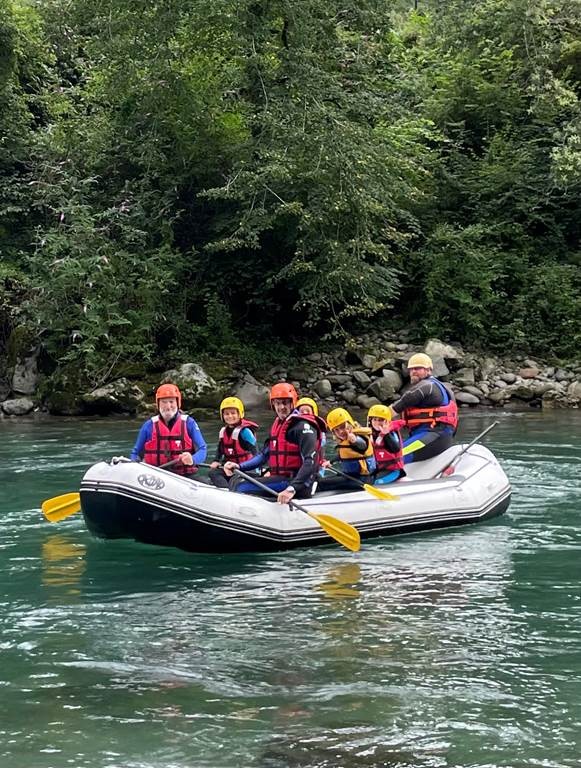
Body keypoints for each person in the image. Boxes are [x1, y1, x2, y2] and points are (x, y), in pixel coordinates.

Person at [223, 383, 325, 504]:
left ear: (293, 403)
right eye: (278, 403)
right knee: (236, 479)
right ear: (273, 405)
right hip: (281, 479)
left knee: (241, 487)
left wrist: (291, 489)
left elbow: (310, 461)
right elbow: (263, 455)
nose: (281, 407)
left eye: (285, 402)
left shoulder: (302, 427)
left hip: (296, 483)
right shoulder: (279, 424)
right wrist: (240, 466)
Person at [389, 353, 458, 463]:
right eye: (411, 369)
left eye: (417, 368)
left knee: (392, 458)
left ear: (429, 370)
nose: (413, 372)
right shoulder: (445, 388)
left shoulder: (426, 386)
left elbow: (397, 408)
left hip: (432, 437)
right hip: (440, 438)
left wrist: (375, 420)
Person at [130, 383, 207, 475]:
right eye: (164, 402)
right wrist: (135, 465)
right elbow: (135, 453)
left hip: (184, 477)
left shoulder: (189, 423)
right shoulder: (148, 426)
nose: (168, 406)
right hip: (156, 476)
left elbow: (203, 449)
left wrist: (193, 459)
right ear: (158, 404)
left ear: (177, 403)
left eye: (171, 401)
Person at [318, 407, 376, 492]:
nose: (340, 432)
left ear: (350, 424)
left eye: (342, 427)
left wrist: (354, 441)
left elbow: (362, 446)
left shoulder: (358, 437)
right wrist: (330, 462)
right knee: (327, 480)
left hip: (362, 480)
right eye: (336, 430)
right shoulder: (344, 441)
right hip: (351, 476)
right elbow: (343, 455)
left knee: (321, 483)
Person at [208, 397, 259, 489]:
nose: (230, 416)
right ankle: (225, 490)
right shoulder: (223, 432)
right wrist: (216, 461)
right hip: (230, 469)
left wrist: (256, 470)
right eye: (226, 414)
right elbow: (220, 450)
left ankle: (231, 491)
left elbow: (256, 453)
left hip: (246, 470)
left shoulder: (245, 432)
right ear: (222, 415)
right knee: (213, 473)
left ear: (240, 414)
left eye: (233, 413)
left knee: (235, 480)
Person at [367, 404, 406, 484]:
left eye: (381, 420)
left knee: (375, 482)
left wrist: (386, 434)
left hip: (393, 471)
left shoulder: (391, 433)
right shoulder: (370, 434)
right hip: (377, 470)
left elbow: (396, 448)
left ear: (387, 421)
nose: (377, 423)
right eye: (375, 419)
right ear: (370, 421)